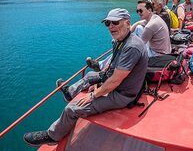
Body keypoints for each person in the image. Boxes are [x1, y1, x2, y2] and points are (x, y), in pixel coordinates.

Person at [23, 8, 148, 146]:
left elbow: (116, 79)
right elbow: (112, 66)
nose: (111, 26)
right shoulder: (121, 40)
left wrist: (94, 95)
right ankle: (70, 93)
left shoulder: (131, 47)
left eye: (115, 22)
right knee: (90, 75)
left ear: (127, 23)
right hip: (117, 85)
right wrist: (100, 81)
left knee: (72, 109)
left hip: (122, 94)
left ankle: (53, 136)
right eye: (107, 23)